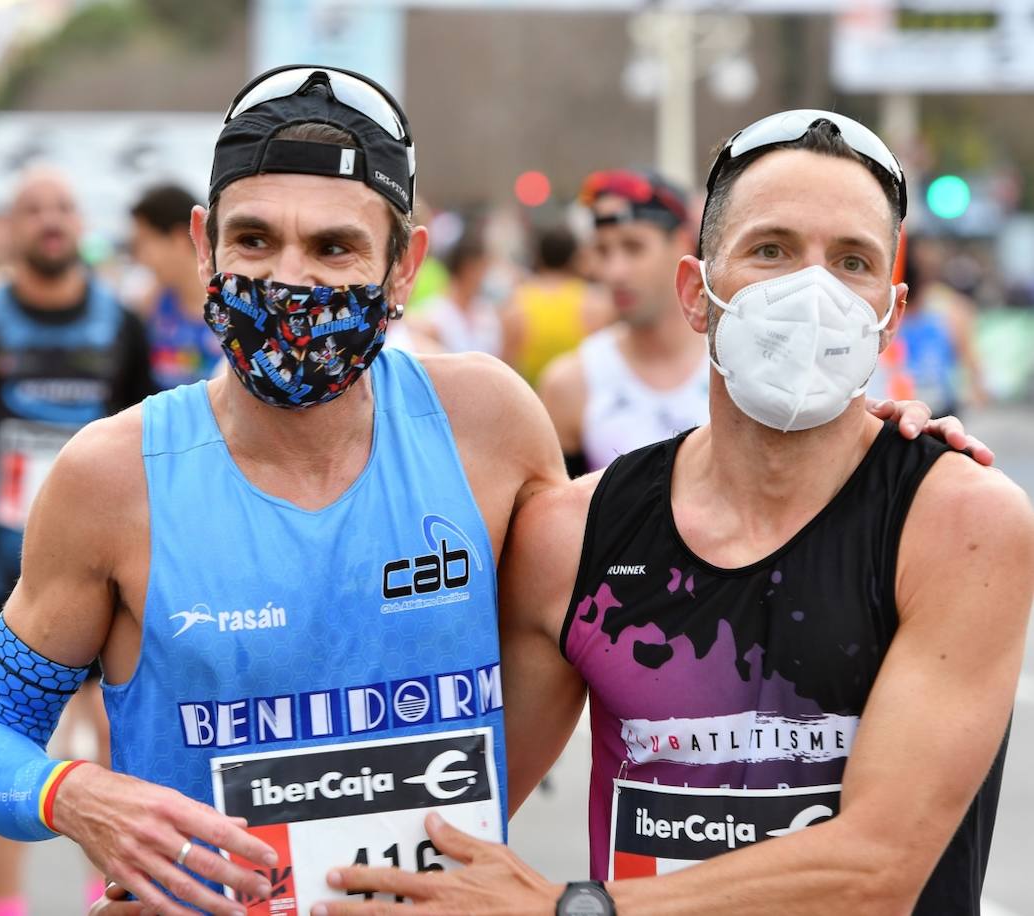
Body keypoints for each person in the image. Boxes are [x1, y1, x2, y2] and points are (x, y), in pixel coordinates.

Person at [0, 72, 968, 916]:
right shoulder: (113, 475)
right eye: (256, 241)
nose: (291, 278)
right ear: (205, 244)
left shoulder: (486, 424)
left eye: (336, 246)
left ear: (404, 266)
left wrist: (874, 453)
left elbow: (683, 526)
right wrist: (74, 796)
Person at [316, 111, 1028, 916]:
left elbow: (875, 871)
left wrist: (572, 908)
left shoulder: (960, 524)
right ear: (698, 293)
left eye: (852, 261)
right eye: (772, 250)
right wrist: (170, 854)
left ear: (888, 315)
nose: (812, 292)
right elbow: (428, 822)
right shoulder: (574, 537)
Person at [0, 165, 153, 915]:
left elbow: (149, 448)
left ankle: (111, 887)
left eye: (64, 207)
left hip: (103, 571)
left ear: (81, 226)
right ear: (10, 230)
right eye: (33, 208)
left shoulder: (119, 327)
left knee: (113, 734)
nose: (51, 219)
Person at [539, 170, 709, 476]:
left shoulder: (734, 363)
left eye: (634, 247)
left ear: (682, 243)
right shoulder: (571, 384)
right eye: (602, 250)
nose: (615, 272)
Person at [128, 184, 225, 390]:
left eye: (145, 242)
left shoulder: (231, 306)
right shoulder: (149, 305)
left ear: (179, 239)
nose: (140, 258)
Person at [504, 225, 611, 385]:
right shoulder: (595, 303)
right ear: (574, 258)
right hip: (579, 402)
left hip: (532, 403)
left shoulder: (517, 304)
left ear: (539, 257)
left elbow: (506, 366)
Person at [899, 234, 989, 417]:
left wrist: (977, 385)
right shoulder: (889, 305)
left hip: (938, 408)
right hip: (893, 404)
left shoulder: (950, 308)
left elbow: (970, 355)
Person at [409, 232, 506, 357]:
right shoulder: (434, 314)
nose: (486, 275)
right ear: (468, 267)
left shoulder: (487, 313)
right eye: (482, 267)